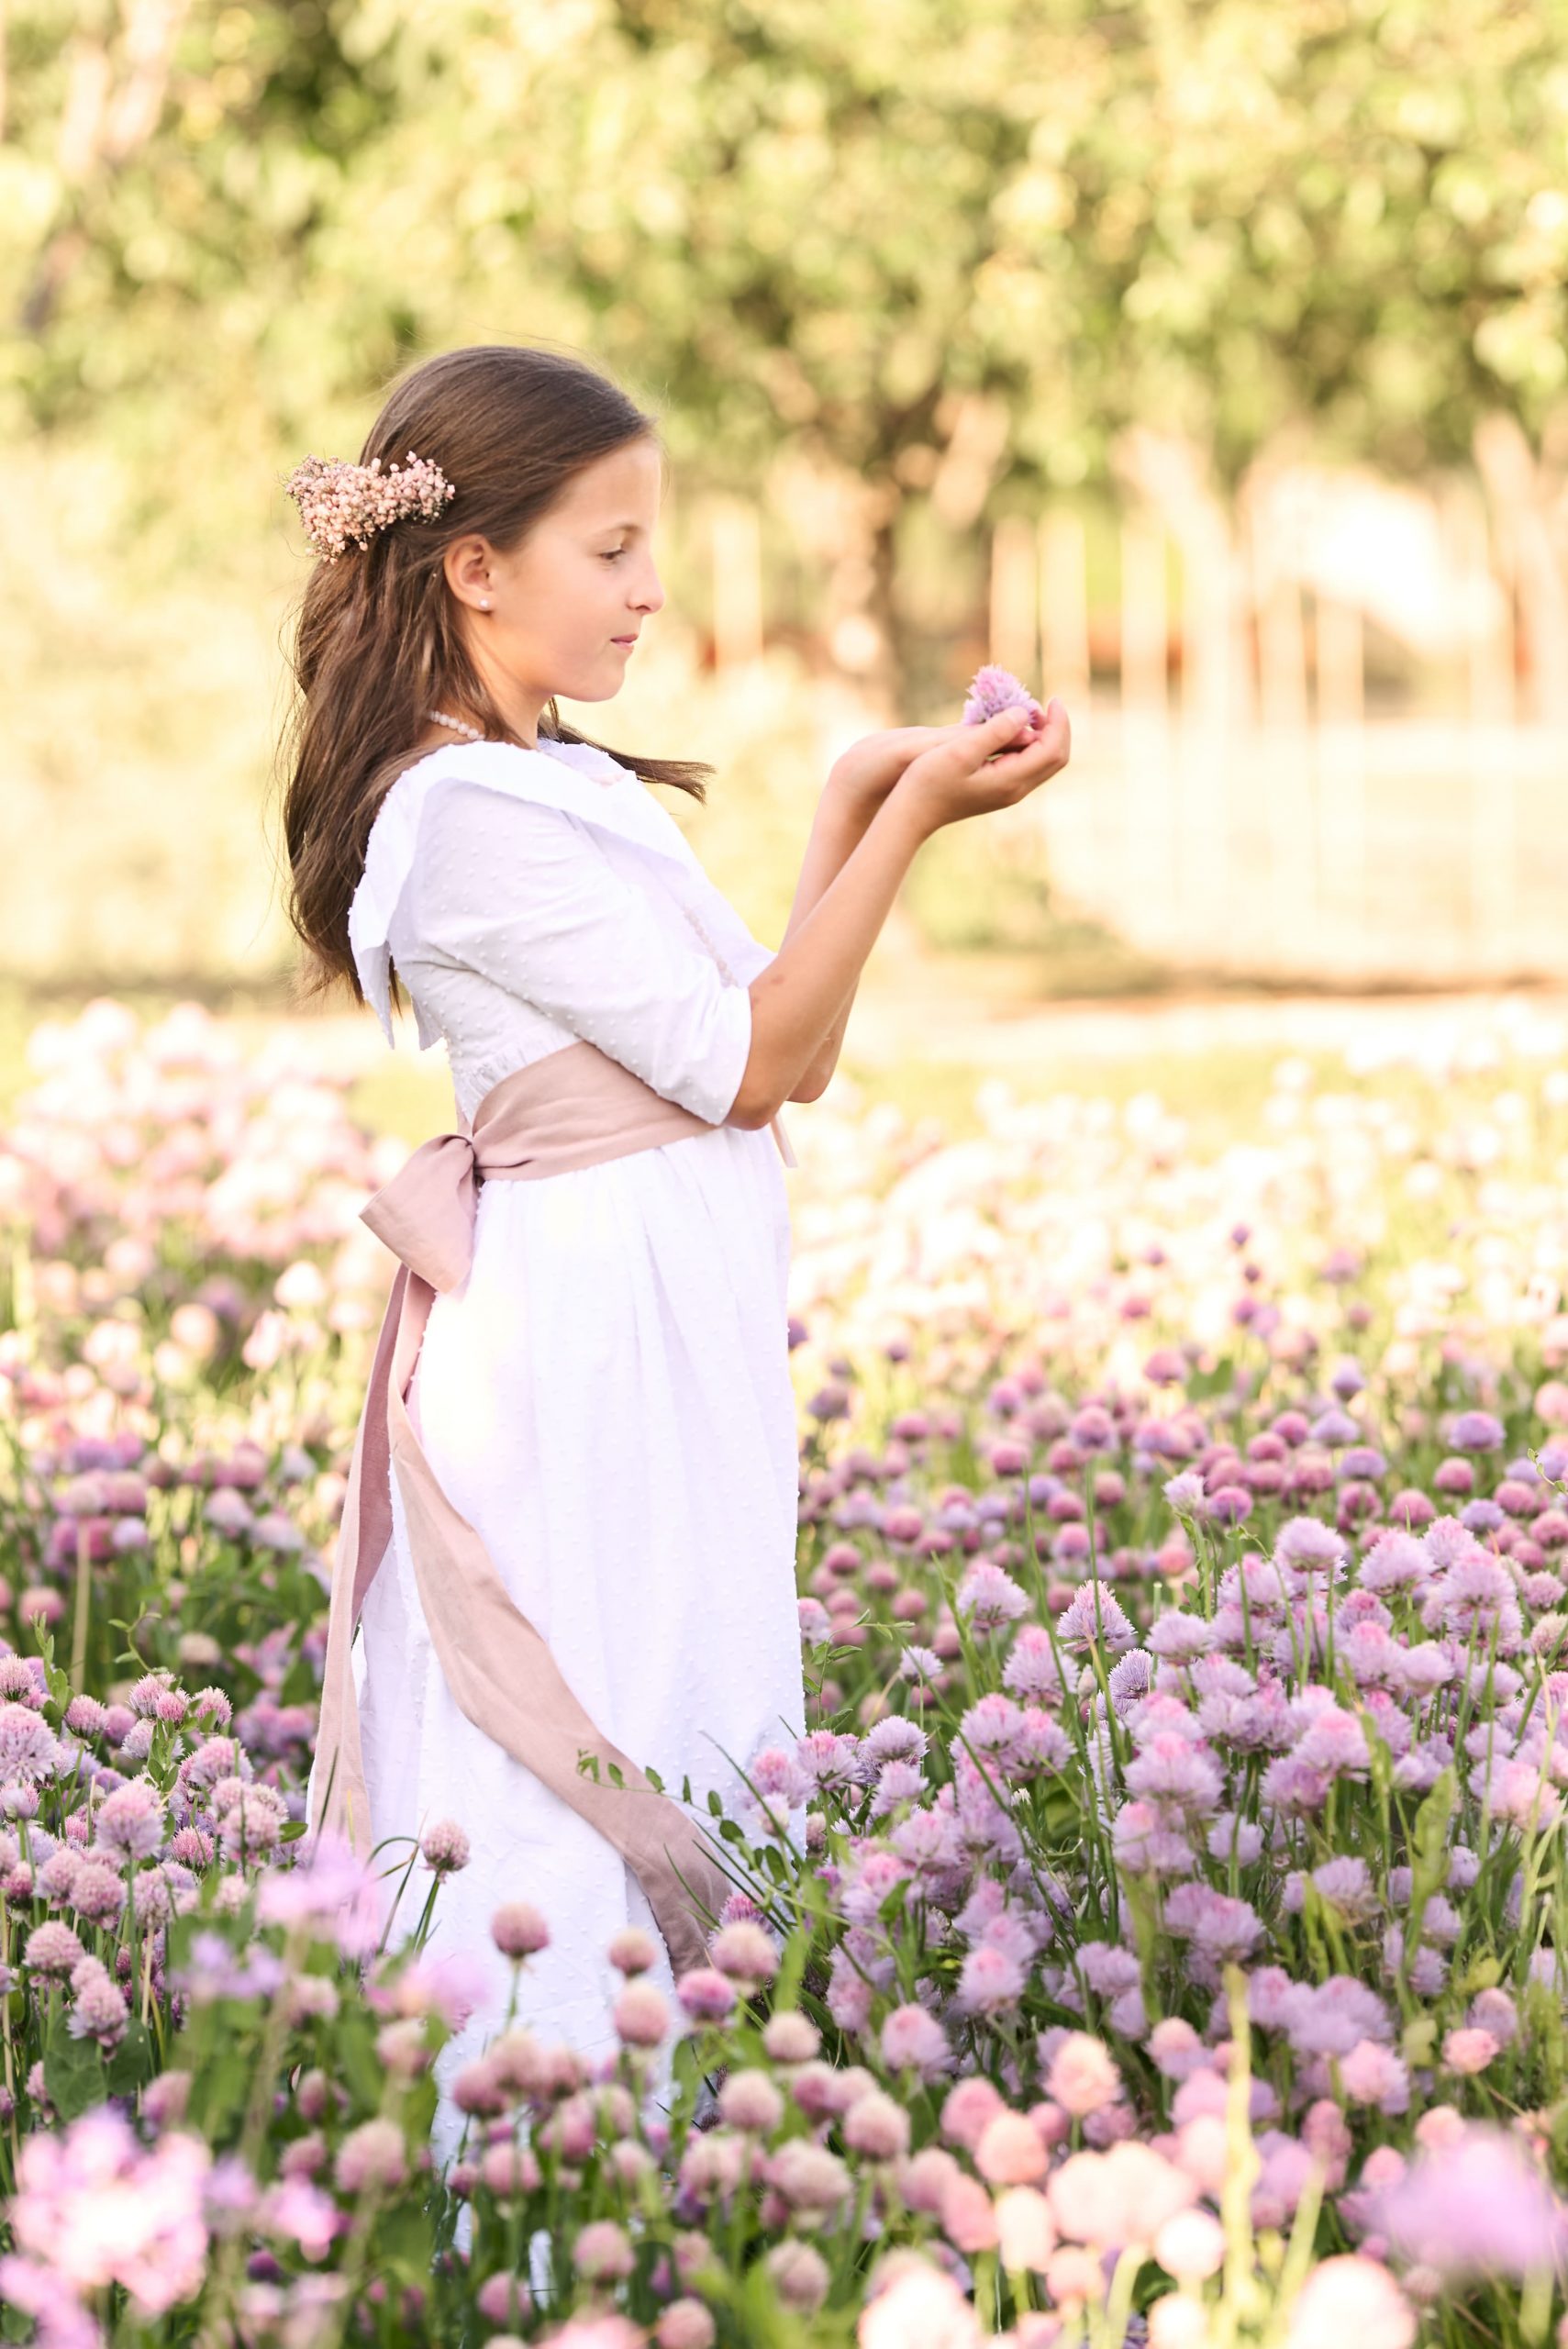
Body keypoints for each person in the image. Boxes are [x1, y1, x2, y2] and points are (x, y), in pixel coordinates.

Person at [280, 342, 1071, 2176]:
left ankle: (677, 2158)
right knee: (590, 1707)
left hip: (664, 1321)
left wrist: (860, 805)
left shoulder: (567, 780)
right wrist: (920, 823)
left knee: (687, 1688)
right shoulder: (455, 813)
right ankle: (543, 2172)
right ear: (475, 565)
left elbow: (764, 1022)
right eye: (612, 549)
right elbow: (755, 1062)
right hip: (579, 1343)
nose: (651, 589)